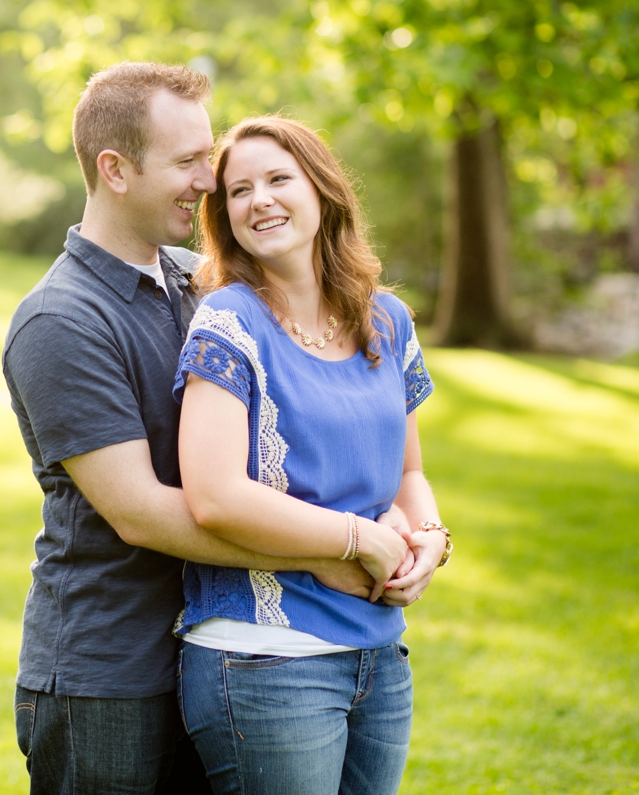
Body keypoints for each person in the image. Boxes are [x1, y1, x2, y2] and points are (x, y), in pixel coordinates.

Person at [2, 64, 375, 795]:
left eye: (207, 158)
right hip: (106, 676)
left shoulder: (203, 287)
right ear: (114, 169)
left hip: (218, 655)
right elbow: (138, 510)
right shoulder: (61, 320)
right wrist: (322, 554)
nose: (208, 181)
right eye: (187, 162)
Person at [172, 115, 451, 795]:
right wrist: (359, 538)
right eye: (238, 191)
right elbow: (214, 497)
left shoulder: (388, 319)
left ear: (322, 191)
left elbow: (409, 472)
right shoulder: (229, 322)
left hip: (380, 656)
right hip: (267, 663)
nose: (258, 200)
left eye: (277, 179)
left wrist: (430, 543)